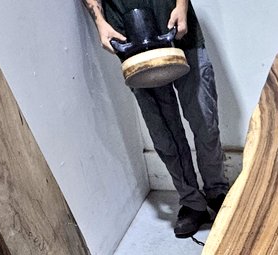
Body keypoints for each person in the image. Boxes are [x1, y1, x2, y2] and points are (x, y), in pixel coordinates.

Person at [80, 0, 229, 237]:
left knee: (205, 121)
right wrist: (99, 20)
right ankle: (192, 203)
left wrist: (181, 7)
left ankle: (217, 192)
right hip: (131, 41)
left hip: (178, 26)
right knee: (164, 133)